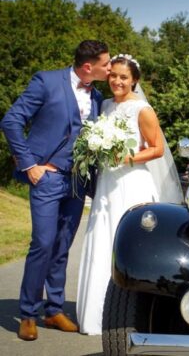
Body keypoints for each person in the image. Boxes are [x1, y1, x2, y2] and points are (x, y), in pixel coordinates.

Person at [0, 40, 111, 341]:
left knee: (62, 246)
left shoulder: (98, 95)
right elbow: (11, 120)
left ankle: (54, 310)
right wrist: (29, 165)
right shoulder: (46, 81)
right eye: (106, 63)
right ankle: (27, 313)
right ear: (89, 66)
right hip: (46, 178)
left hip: (76, 181)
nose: (110, 68)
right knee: (43, 243)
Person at [76, 53, 183, 335]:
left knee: (128, 243)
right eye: (113, 76)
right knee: (102, 240)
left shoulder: (142, 109)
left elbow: (157, 148)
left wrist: (127, 158)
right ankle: (95, 316)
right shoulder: (105, 105)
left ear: (134, 80)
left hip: (132, 181)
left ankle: (131, 314)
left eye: (124, 77)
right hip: (107, 185)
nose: (117, 81)